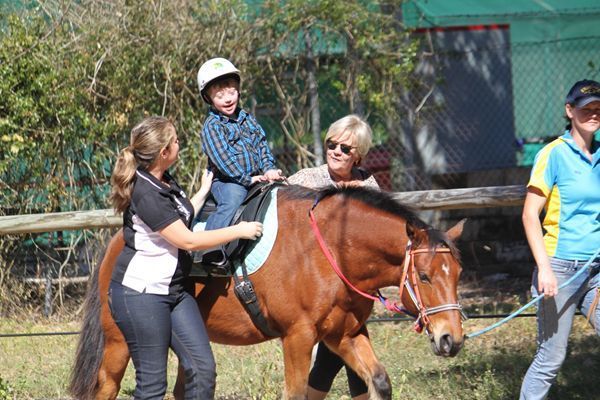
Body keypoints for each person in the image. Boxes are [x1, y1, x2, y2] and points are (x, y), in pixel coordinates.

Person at [108, 116, 263, 400]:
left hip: (175, 292)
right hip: (141, 295)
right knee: (153, 388)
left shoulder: (163, 180)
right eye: (176, 140)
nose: (181, 143)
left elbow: (178, 215)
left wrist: (203, 192)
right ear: (163, 152)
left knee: (202, 368)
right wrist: (238, 230)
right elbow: (187, 240)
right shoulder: (145, 192)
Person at [288, 114, 378, 400]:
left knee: (340, 351)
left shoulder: (369, 185)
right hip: (315, 290)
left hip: (354, 291)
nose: (336, 151)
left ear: (358, 157)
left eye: (345, 148)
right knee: (348, 347)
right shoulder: (306, 179)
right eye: (332, 144)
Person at [519, 79, 600, 400]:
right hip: (560, 270)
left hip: (596, 271)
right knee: (551, 357)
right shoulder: (552, 154)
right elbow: (529, 215)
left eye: (598, 108)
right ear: (570, 111)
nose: (593, 114)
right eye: (586, 109)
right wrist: (545, 269)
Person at [196, 57, 284, 269]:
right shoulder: (212, 126)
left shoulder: (247, 119)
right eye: (219, 95)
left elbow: (261, 144)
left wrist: (269, 168)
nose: (227, 99)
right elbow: (223, 160)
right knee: (233, 199)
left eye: (231, 92)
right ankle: (209, 248)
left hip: (255, 174)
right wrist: (246, 179)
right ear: (209, 98)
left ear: (238, 90)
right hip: (228, 180)